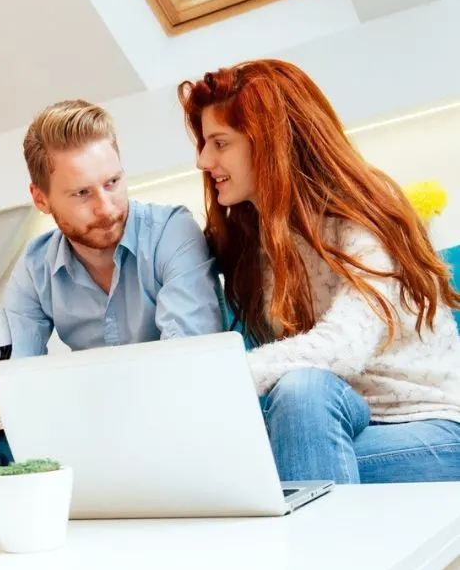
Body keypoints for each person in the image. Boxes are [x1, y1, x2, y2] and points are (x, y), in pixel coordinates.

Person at [177, 59, 460, 484]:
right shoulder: (253, 232)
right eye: (204, 142)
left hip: (430, 423)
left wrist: (218, 381)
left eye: (219, 143)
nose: (203, 160)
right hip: (332, 416)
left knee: (264, 458)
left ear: (271, 141)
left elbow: (343, 345)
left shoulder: (364, 209)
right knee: (301, 391)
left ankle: (313, 544)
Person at [0, 98, 225, 488]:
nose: (106, 207)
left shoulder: (172, 233)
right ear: (41, 199)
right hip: (86, 430)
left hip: (171, 425)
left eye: (112, 183)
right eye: (81, 194)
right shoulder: (36, 263)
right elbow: (16, 378)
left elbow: (185, 369)